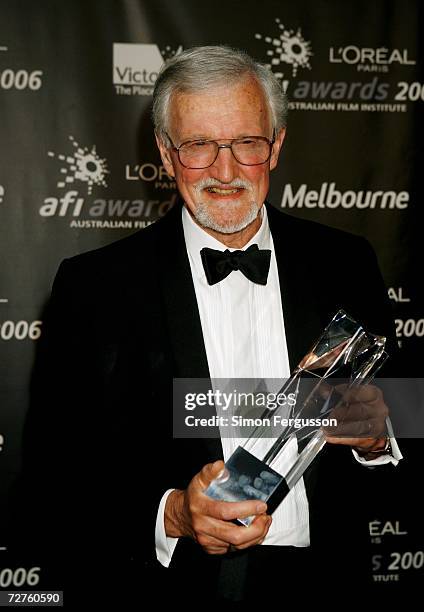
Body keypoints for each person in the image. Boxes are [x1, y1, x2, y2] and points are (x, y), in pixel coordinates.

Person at [14, 46, 402, 604]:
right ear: (167, 156)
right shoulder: (94, 287)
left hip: (328, 589)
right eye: (198, 145)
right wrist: (172, 513)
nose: (225, 171)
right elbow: (51, 484)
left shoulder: (347, 262)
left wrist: (376, 438)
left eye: (246, 142)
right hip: (168, 594)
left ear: (277, 145)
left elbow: (404, 426)